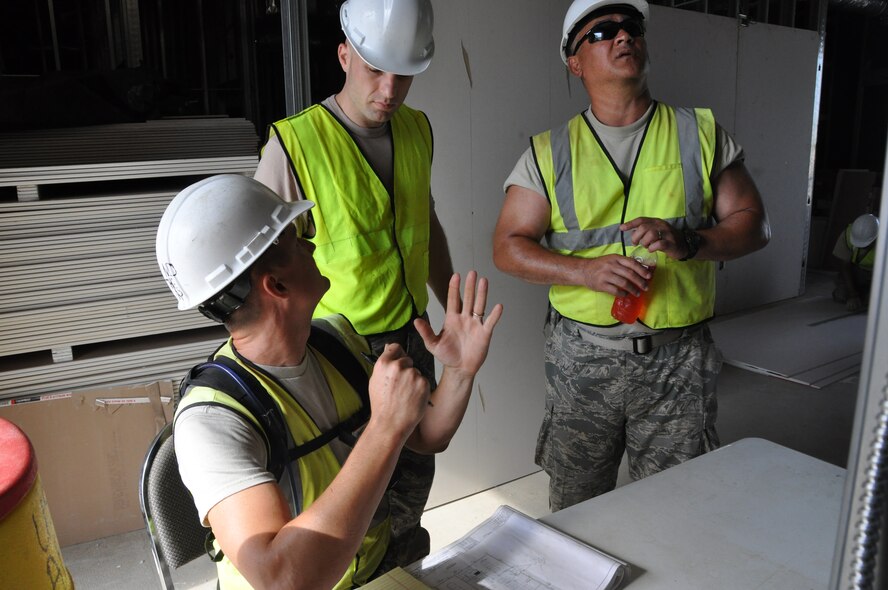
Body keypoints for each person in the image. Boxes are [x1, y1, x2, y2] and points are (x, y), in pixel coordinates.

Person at [155, 174, 502, 589]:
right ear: (276, 284)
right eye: (293, 238)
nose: (310, 245)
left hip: (376, 571)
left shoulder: (337, 341)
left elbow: (427, 436)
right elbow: (284, 581)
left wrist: (460, 372)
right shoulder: (210, 420)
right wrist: (384, 427)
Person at [492, 0, 770, 512]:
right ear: (574, 62)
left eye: (632, 28)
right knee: (577, 506)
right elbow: (508, 247)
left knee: (673, 508)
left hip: (678, 359)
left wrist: (691, 242)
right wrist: (586, 272)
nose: (624, 37)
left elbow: (755, 225)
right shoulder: (549, 151)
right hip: (582, 357)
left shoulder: (699, 133)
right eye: (603, 32)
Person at [252, 0, 450, 563]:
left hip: (413, 342)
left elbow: (425, 223)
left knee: (411, 488)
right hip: (339, 359)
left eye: (404, 74)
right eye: (375, 70)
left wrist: (451, 300)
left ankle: (405, 567)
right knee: (349, 509)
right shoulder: (295, 146)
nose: (390, 89)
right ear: (344, 54)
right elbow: (266, 277)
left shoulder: (416, 130)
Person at [832, 213, 879, 312]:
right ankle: (862, 294)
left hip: (879, 276)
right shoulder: (848, 235)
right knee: (841, 295)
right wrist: (852, 295)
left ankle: (868, 295)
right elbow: (845, 267)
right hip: (858, 273)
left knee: (876, 303)